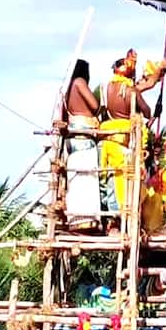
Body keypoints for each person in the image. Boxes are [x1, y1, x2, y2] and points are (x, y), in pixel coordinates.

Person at [99, 49, 166, 213]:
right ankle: (123, 216)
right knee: (127, 182)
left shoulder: (107, 87)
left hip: (108, 139)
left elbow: (149, 83)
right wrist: (150, 115)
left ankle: (113, 218)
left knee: (111, 180)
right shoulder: (131, 91)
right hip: (125, 142)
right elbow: (146, 111)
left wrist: (159, 71)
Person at [63, 59, 102, 232]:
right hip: (83, 133)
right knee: (86, 175)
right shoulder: (79, 83)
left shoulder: (66, 88)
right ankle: (86, 219)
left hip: (72, 134)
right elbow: (94, 105)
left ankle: (76, 219)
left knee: (76, 177)